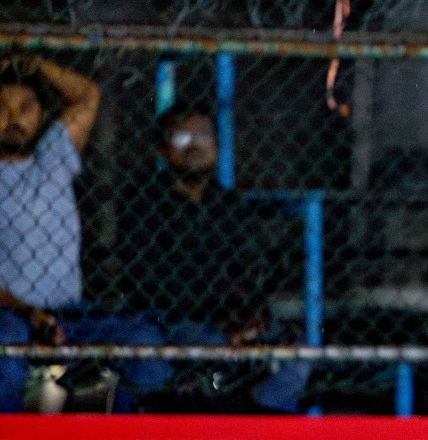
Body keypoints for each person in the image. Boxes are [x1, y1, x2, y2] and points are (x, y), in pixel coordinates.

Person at [0, 54, 169, 412]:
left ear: (41, 113)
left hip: (69, 314)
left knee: (142, 340)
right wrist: (27, 311)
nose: (14, 118)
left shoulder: (54, 156)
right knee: (6, 347)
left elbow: (87, 95)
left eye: (26, 107)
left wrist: (33, 62)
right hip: (5, 314)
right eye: (1, 108)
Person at [123, 104, 308, 412]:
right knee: (211, 349)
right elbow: (152, 281)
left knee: (299, 356)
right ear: (162, 150)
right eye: (182, 138)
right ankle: (224, 426)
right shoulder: (145, 204)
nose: (195, 146)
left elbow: (251, 268)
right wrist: (222, 318)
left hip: (229, 318)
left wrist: (247, 317)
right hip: (174, 319)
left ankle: (252, 426)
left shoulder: (227, 204)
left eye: (204, 136)